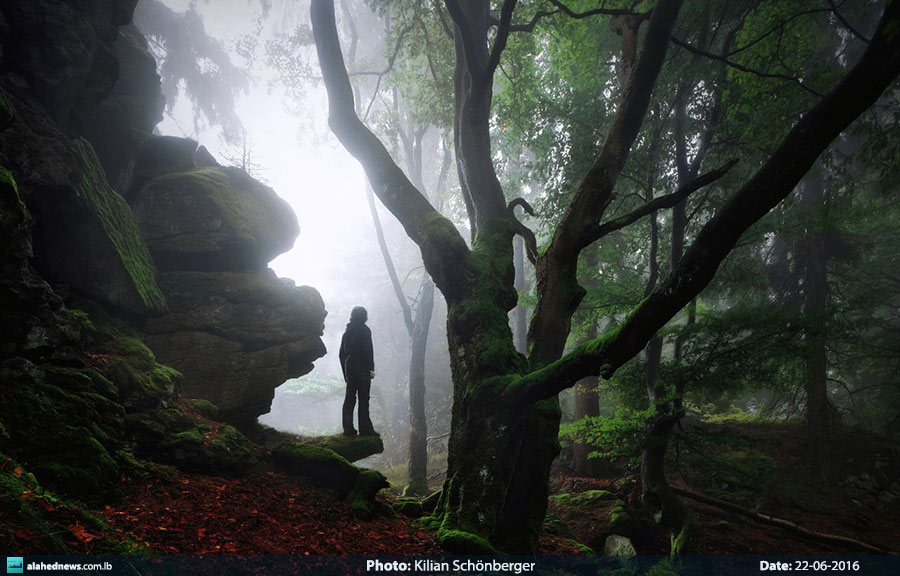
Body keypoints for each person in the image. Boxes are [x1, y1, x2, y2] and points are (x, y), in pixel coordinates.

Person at [338, 306, 378, 436]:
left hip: (350, 368)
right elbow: (368, 350)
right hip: (363, 369)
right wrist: (371, 368)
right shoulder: (365, 330)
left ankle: (348, 429)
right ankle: (365, 429)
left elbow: (341, 354)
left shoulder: (347, 332)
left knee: (349, 398)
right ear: (364, 316)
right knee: (363, 399)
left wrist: (346, 374)